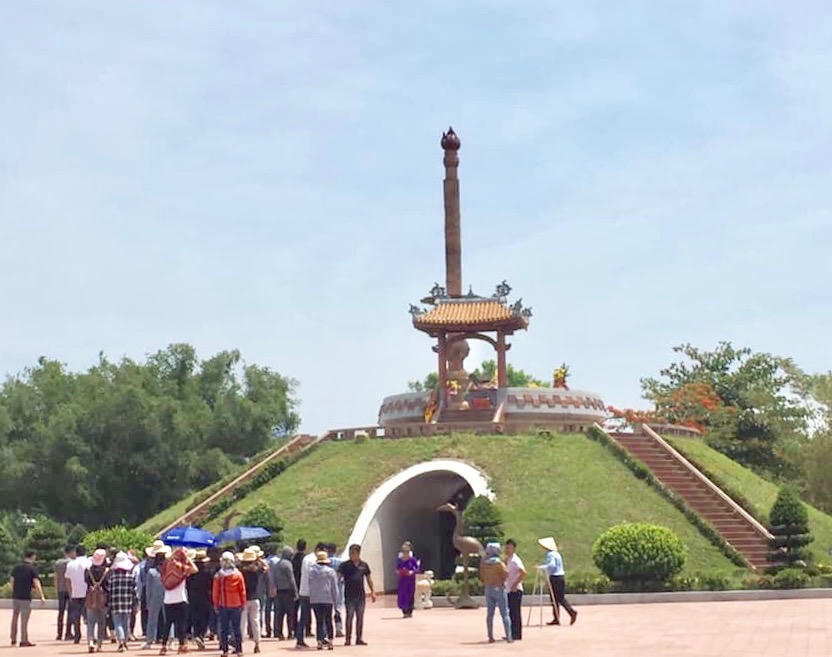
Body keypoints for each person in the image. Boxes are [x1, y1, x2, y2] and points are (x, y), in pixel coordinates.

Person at [159, 546, 198, 655]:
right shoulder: (182, 567)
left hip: (168, 599)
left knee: (168, 624)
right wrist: (188, 559)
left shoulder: (167, 566)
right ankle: (182, 646)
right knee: (181, 624)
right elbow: (195, 569)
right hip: (180, 598)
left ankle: (164, 646)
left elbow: (162, 578)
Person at [337, 544, 376, 647]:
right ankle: (348, 639)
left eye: (353, 553)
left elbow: (369, 579)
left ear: (358, 554)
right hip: (349, 596)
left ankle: (359, 638)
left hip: (360, 596)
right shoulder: (344, 565)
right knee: (349, 617)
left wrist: (373, 592)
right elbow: (338, 577)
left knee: (360, 617)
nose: (351, 555)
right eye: (350, 553)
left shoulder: (364, 565)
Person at [213, 551, 246, 657]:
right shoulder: (238, 574)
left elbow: (215, 592)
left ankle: (225, 651)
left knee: (224, 629)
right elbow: (242, 591)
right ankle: (239, 650)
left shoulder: (219, 575)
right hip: (236, 605)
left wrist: (215, 604)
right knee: (236, 628)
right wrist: (243, 603)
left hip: (224, 604)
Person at [9, 550, 46, 647]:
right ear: (32, 557)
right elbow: (36, 583)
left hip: (16, 596)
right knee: (24, 620)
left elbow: (12, 581)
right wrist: (41, 596)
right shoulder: (32, 569)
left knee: (15, 617)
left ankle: (13, 638)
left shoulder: (16, 568)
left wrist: (15, 590)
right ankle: (24, 640)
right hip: (25, 597)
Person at [539, 537, 577, 626]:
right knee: (556, 599)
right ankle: (556, 618)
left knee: (558, 598)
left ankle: (571, 612)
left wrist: (543, 567)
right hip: (560, 576)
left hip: (555, 577)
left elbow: (552, 565)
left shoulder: (550, 554)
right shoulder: (557, 554)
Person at [479, 543, 512, 643]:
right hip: (499, 588)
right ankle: (509, 636)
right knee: (505, 613)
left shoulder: (484, 563)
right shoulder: (499, 563)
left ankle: (490, 636)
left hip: (488, 588)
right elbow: (506, 573)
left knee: (490, 614)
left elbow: (481, 576)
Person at [308, 550, 338, 651]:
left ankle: (319, 642)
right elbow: (334, 587)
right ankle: (330, 641)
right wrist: (336, 600)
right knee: (328, 620)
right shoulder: (330, 571)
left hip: (315, 599)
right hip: (327, 598)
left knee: (319, 621)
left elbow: (310, 585)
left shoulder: (311, 572)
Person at [297, 541, 325, 648]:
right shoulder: (314, 560)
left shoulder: (306, 558)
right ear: (319, 550)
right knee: (319, 617)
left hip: (304, 591)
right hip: (314, 593)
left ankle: (300, 639)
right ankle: (321, 638)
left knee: (304, 617)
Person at [141, 544, 169, 650]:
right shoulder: (167, 571)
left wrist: (148, 601)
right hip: (167, 596)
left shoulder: (151, 572)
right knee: (168, 619)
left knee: (152, 619)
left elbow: (148, 590)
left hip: (154, 597)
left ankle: (149, 641)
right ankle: (170, 640)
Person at [109, 552, 136, 653]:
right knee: (126, 623)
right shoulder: (130, 576)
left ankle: (120, 641)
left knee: (117, 623)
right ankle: (124, 642)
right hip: (127, 603)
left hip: (115, 603)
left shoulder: (112, 577)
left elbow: (110, 590)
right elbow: (134, 590)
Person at [85, 548, 111, 653]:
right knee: (101, 623)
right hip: (102, 599)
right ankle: (99, 644)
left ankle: (90, 641)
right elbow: (108, 585)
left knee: (90, 622)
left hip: (91, 598)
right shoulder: (106, 571)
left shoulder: (88, 570)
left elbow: (86, 581)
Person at [269, 546, 298, 640]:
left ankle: (279, 633)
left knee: (279, 614)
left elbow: (273, 579)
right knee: (290, 614)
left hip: (279, 591)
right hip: (288, 591)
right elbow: (291, 579)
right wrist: (295, 592)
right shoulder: (288, 564)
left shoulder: (277, 564)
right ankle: (290, 632)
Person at [239, 547, 264, 653]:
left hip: (244, 598)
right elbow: (266, 567)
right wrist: (258, 559)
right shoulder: (257, 569)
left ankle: (240, 643)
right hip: (255, 597)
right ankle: (257, 643)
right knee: (255, 621)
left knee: (242, 622)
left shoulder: (241, 570)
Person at [188, 550, 213, 650]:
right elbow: (211, 585)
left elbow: (187, 584)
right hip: (205, 597)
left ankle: (197, 633)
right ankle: (201, 635)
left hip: (193, 596)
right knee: (204, 617)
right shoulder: (208, 572)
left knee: (195, 617)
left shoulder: (191, 571)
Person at [66, 545, 90, 643]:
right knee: (89, 616)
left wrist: (70, 592)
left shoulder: (71, 564)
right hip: (88, 592)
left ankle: (77, 635)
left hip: (75, 592)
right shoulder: (89, 562)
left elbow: (67, 580)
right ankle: (91, 634)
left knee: (76, 616)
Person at [504, 539, 526, 641]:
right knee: (511, 612)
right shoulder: (508, 559)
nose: (507, 550)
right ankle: (512, 633)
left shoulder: (515, 560)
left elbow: (523, 572)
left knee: (515, 612)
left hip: (515, 590)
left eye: (509, 548)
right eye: (506, 547)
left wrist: (515, 584)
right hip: (509, 589)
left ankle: (517, 635)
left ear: (514, 549)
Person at [55, 545, 75, 640]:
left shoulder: (58, 563)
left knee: (61, 612)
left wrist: (56, 588)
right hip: (69, 589)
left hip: (61, 589)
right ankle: (68, 633)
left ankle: (59, 634)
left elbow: (56, 577)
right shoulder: (72, 563)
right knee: (70, 612)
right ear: (71, 552)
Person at [396, 542, 419, 618]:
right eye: (404, 551)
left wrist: (412, 571)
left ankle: (409, 611)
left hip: (410, 580)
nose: (405, 553)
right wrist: (399, 571)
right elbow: (397, 568)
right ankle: (404, 611)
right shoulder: (400, 560)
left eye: (407, 551)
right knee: (403, 595)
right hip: (403, 580)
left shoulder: (412, 559)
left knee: (410, 595)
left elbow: (417, 568)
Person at [326, 543, 344, 638]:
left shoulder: (325, 561)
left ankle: (325, 630)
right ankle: (338, 629)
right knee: (338, 610)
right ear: (335, 550)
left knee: (327, 610)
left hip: (326, 589)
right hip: (338, 589)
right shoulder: (340, 562)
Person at [291, 539, 307, 638]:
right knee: (306, 610)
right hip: (304, 586)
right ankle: (307, 629)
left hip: (295, 586)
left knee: (294, 610)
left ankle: (295, 629)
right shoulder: (305, 560)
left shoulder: (293, 559)